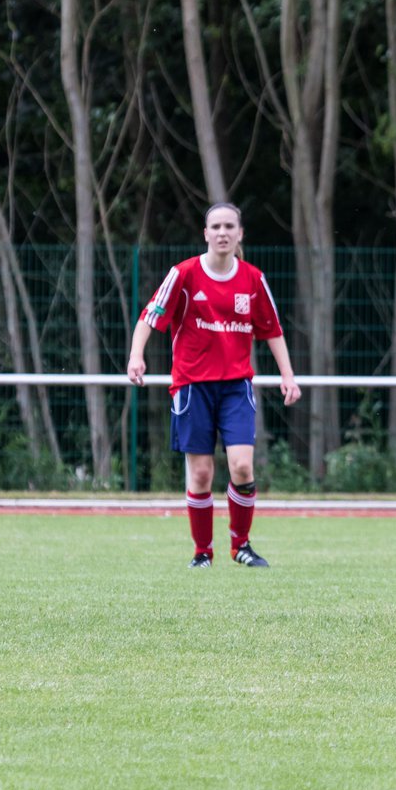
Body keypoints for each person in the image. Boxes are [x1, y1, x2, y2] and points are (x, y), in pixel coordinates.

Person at [126, 202, 300, 568]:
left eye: (229, 227)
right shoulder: (184, 274)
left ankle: (241, 546)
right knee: (202, 472)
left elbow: (273, 330)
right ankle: (202, 552)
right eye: (216, 226)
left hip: (236, 386)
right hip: (192, 386)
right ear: (206, 234)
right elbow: (149, 315)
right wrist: (136, 354)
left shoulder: (253, 279)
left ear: (240, 234)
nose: (222, 233)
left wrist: (288, 375)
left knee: (241, 467)